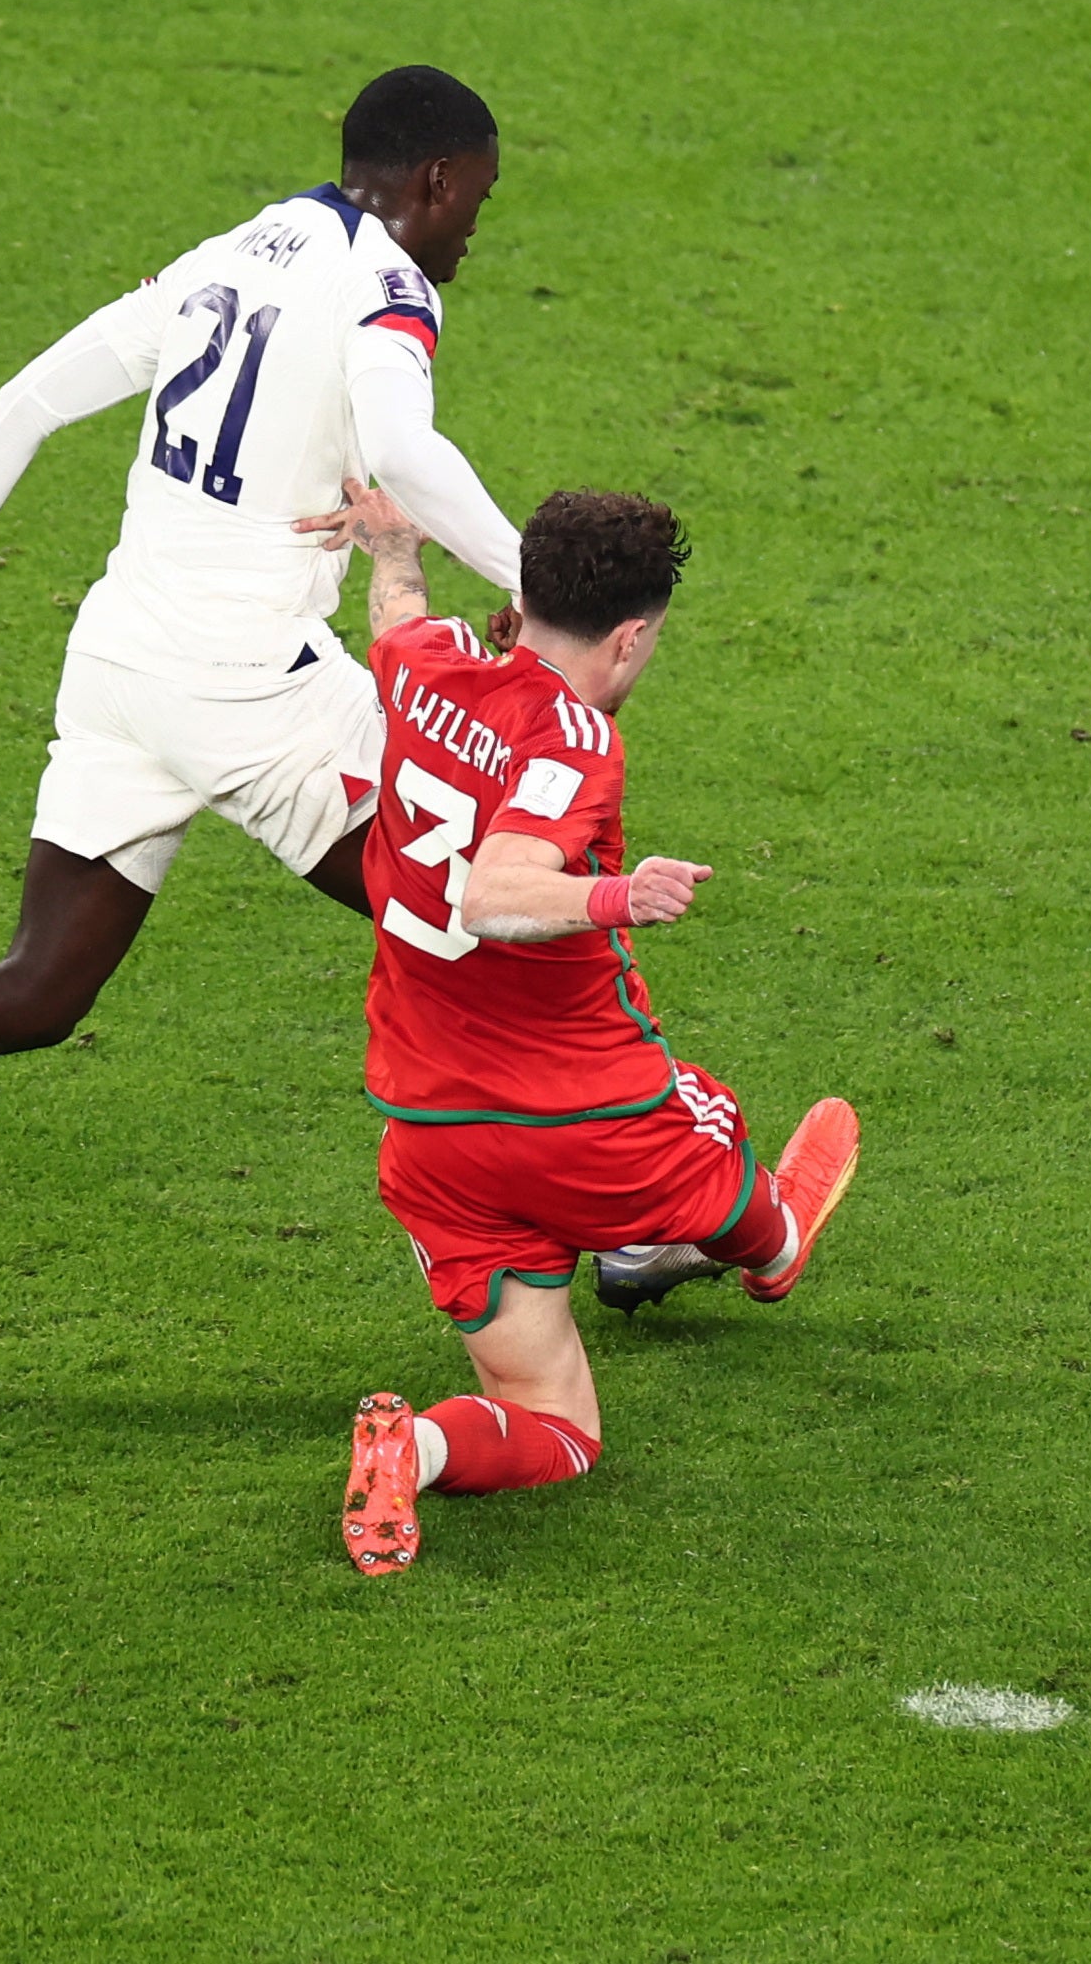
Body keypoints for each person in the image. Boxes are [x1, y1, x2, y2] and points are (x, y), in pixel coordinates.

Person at [0, 66, 539, 1284]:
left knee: (42, 981)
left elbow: (26, 402)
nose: (476, 231)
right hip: (252, 686)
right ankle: (644, 1216)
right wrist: (536, 579)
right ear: (433, 181)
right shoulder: (383, 281)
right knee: (501, 909)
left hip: (121, 665)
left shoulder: (221, 255)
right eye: (476, 201)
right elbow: (397, 443)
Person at [329, 482, 860, 1574]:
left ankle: (415, 1449)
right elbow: (493, 894)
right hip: (593, 1120)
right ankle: (771, 1246)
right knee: (713, 1125)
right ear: (629, 637)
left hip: (432, 1137)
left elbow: (394, 615)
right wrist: (623, 895)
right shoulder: (575, 740)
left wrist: (391, 544)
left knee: (559, 1427)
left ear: (519, 602)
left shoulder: (429, 663)